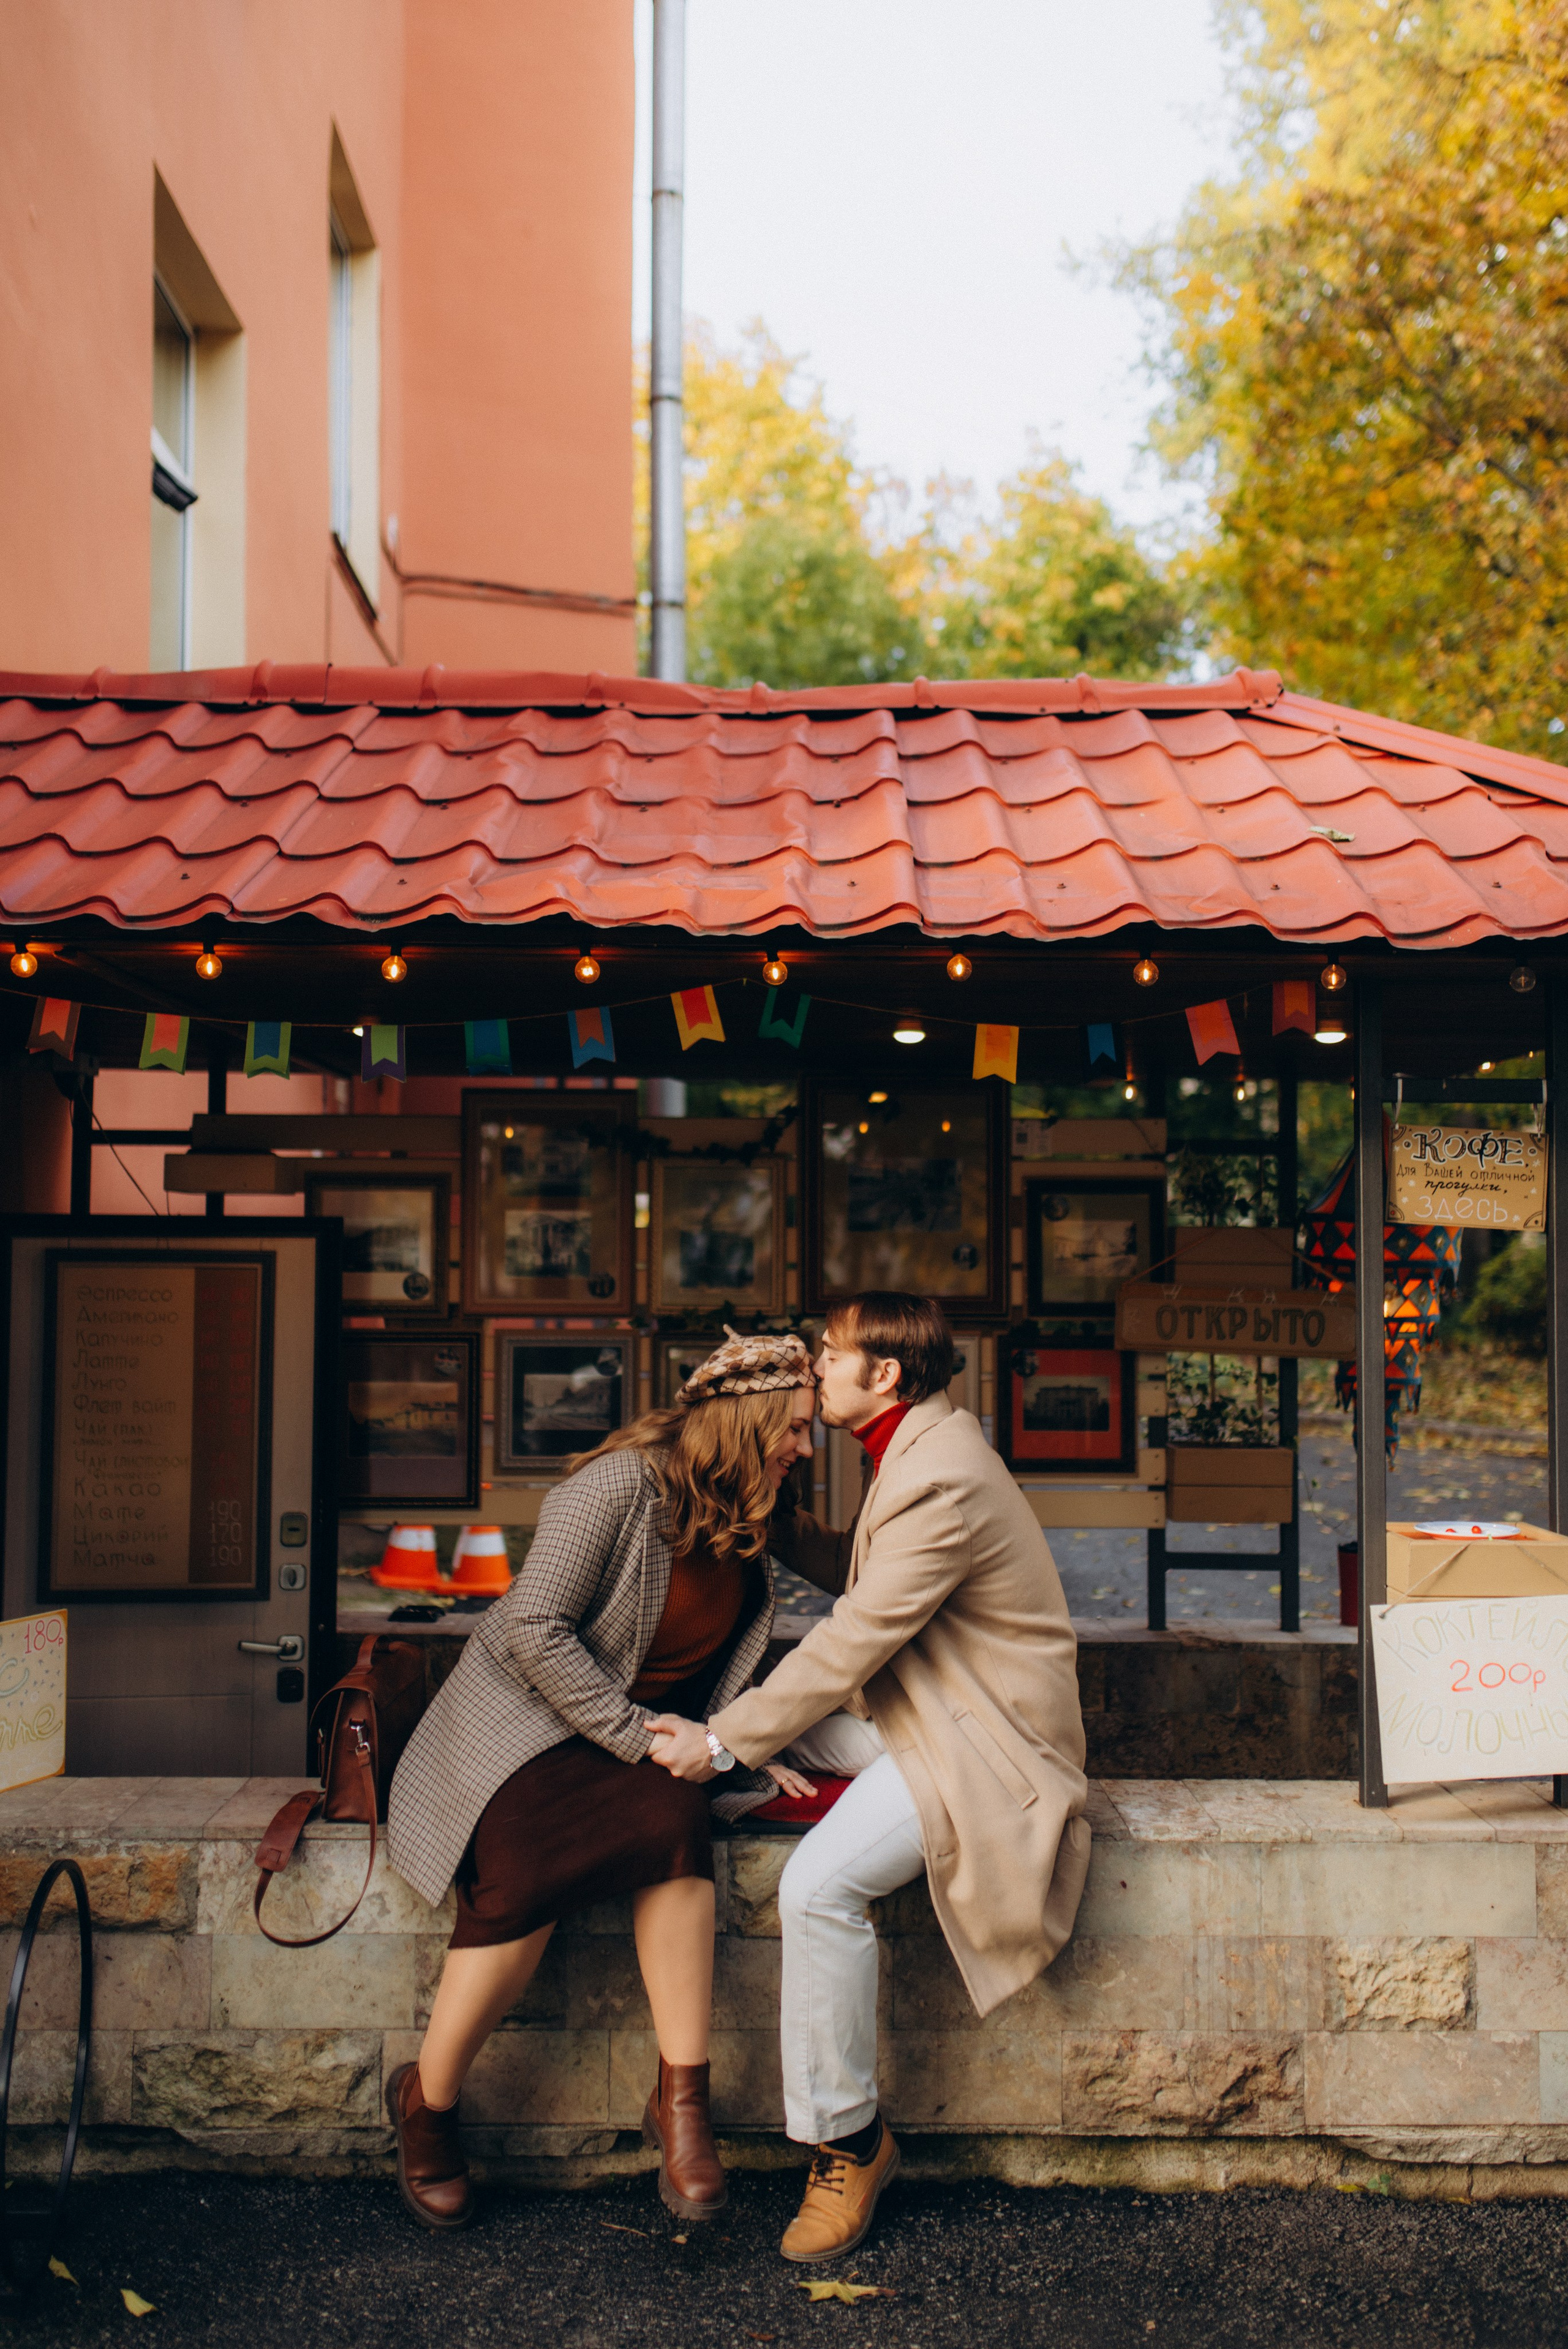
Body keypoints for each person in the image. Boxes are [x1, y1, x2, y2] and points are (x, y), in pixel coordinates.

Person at [649, 1292, 1089, 2264]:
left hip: (983, 1747)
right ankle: (778, 1785)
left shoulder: (943, 1473)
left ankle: (850, 2143)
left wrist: (720, 1743)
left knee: (816, 1886)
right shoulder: (920, 1449)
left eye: (831, 1354)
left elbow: (856, 1637)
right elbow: (869, 1570)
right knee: (780, 1743)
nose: (815, 1368)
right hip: (929, 1716)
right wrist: (766, 1520)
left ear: (884, 1374)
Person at [384, 1328, 820, 2231]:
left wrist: (736, 1741)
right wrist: (635, 1734)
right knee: (523, 1878)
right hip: (523, 1729)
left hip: (635, 1748)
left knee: (675, 1818)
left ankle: (683, 2105)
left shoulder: (753, 1504)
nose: (807, 1449)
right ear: (753, 1418)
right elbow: (533, 1627)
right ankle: (427, 2103)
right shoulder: (620, 1486)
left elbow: (870, 1576)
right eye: (800, 1428)